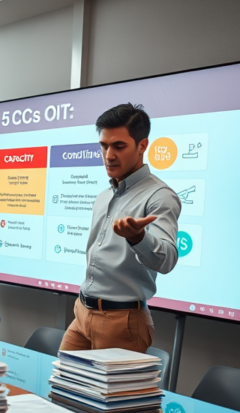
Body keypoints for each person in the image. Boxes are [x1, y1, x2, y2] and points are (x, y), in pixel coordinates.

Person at [60, 103, 181, 354]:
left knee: (110, 396)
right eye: (104, 146)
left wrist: (139, 237)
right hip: (82, 313)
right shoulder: (105, 195)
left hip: (121, 322)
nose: (108, 155)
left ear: (142, 146)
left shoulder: (159, 197)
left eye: (119, 146)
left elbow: (167, 259)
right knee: (59, 389)